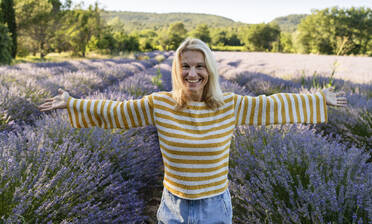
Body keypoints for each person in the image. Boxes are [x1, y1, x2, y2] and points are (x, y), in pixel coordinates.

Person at [39, 38, 347, 224]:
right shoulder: (161, 104)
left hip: (215, 206)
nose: (192, 73)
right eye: (185, 66)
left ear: (209, 70)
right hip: (173, 206)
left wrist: (318, 98)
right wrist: (72, 103)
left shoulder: (229, 105)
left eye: (199, 66)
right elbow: (117, 112)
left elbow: (272, 105)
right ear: (177, 70)